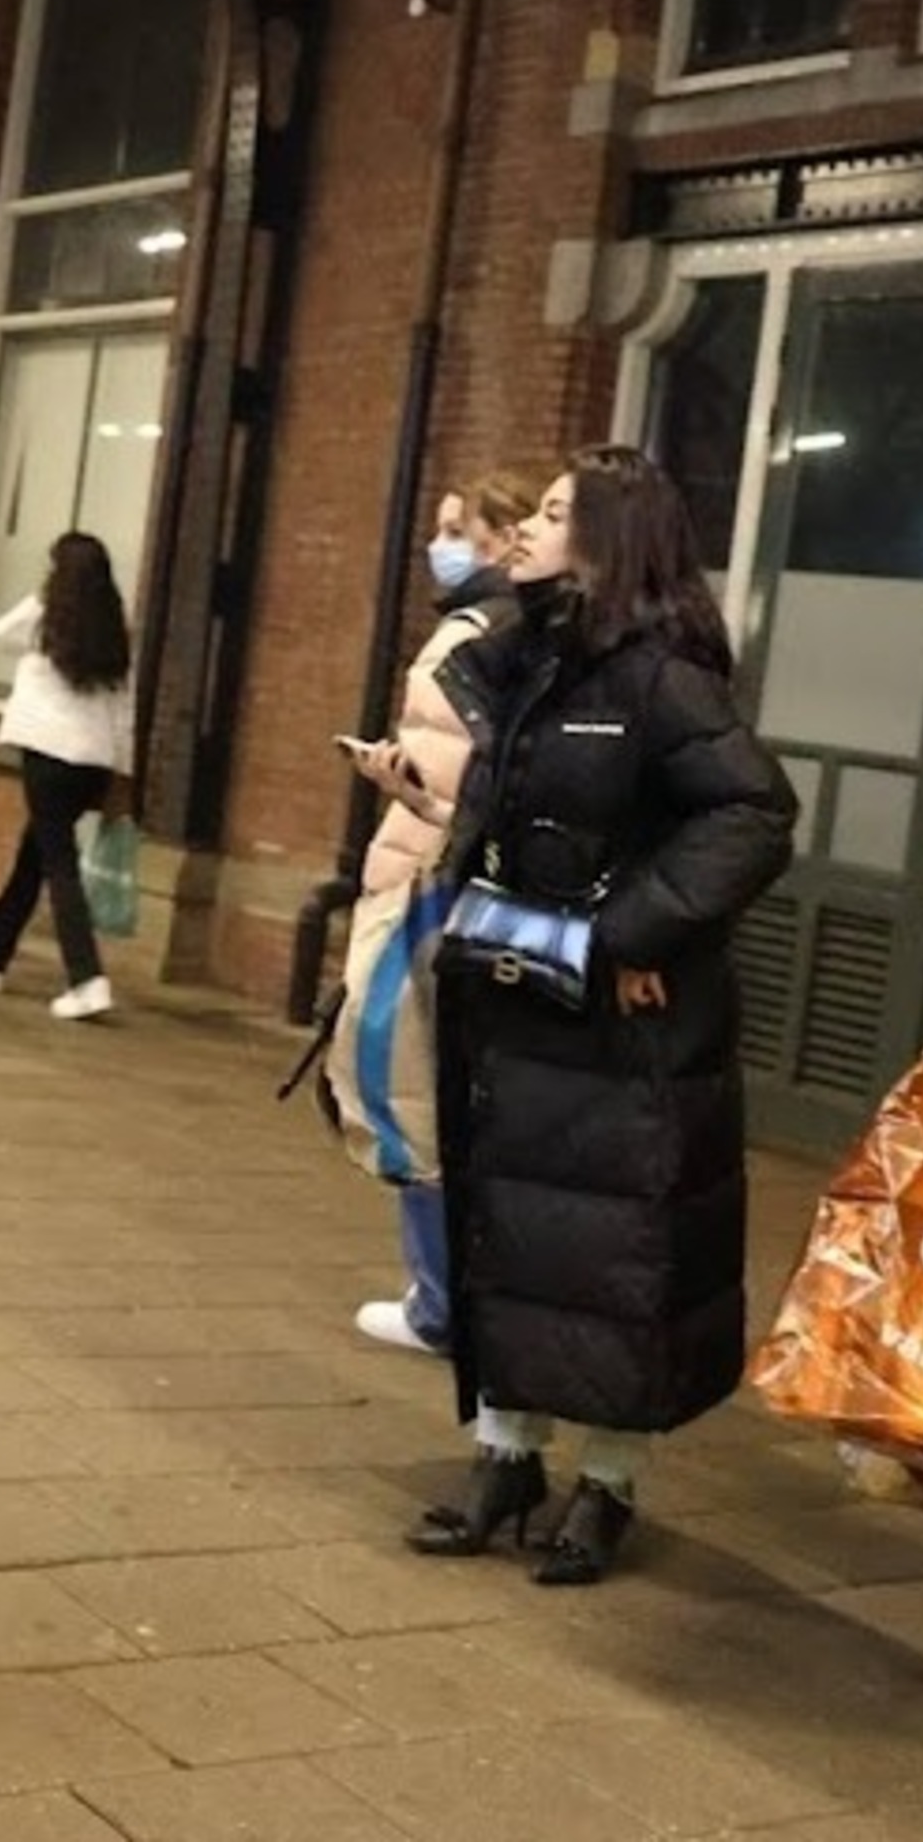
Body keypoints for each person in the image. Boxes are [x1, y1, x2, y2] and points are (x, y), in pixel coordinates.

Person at [374, 452, 794, 1587]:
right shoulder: (529, 659)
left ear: (608, 542)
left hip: (622, 1023)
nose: (523, 534)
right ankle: (505, 1457)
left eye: (553, 516)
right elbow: (528, 815)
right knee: (513, 1232)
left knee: (618, 1254)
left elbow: (752, 814)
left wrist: (632, 935)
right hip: (521, 1001)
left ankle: (607, 1484)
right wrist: (438, 807)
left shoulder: (660, 677)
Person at [332, 472, 535, 1357]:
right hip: (436, 863)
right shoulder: (507, 626)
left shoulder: (484, 631)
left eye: (458, 527)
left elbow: (460, 763)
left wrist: (410, 790)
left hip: (430, 878)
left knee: (411, 1091)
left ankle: (440, 1301)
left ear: (503, 536)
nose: (440, 541)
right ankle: (450, 1295)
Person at [0, 531, 133, 1022]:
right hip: (92, 761)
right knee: (36, 855)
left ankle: (88, 978)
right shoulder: (114, 628)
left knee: (58, 865)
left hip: (47, 755)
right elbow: (124, 708)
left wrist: (44, 595)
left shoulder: (45, 618)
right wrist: (123, 773)